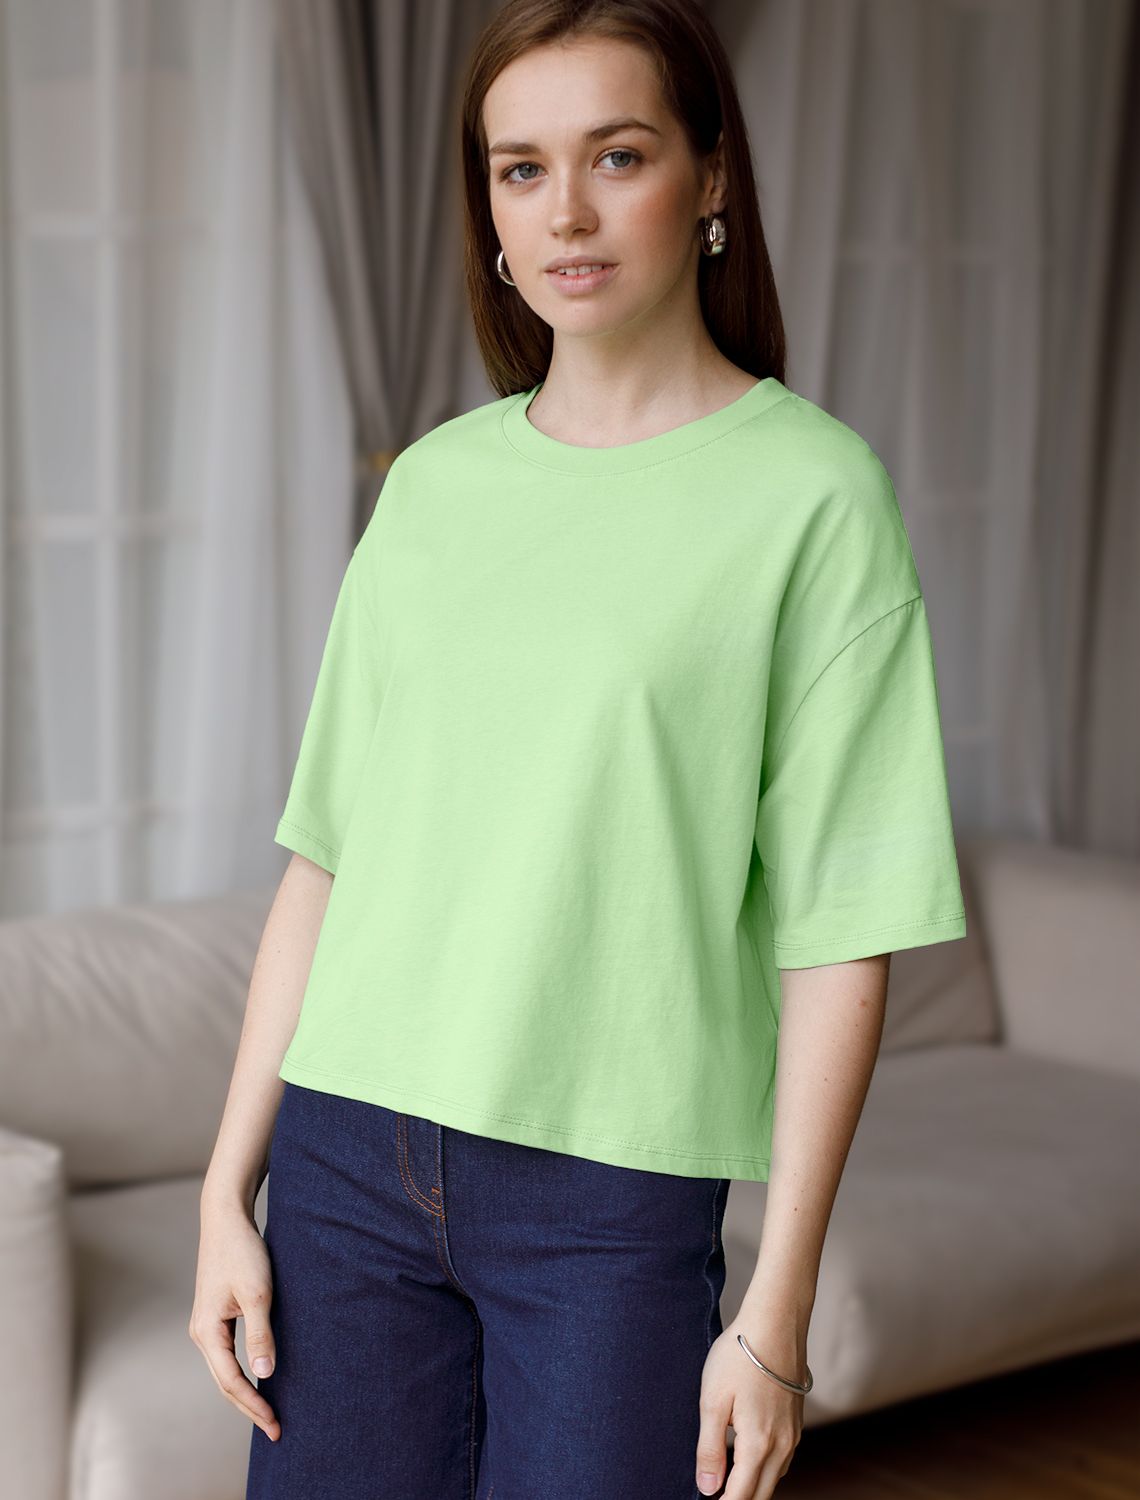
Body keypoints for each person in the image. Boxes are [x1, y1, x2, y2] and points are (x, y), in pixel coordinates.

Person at [190, 2, 968, 1497]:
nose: (565, 213)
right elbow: (324, 864)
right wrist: (231, 1188)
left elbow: (842, 933)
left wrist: (778, 1313)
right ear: (487, 209)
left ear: (710, 174)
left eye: (617, 155)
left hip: (611, 1200)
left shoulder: (814, 498)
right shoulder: (432, 487)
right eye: (520, 168)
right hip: (343, 1167)